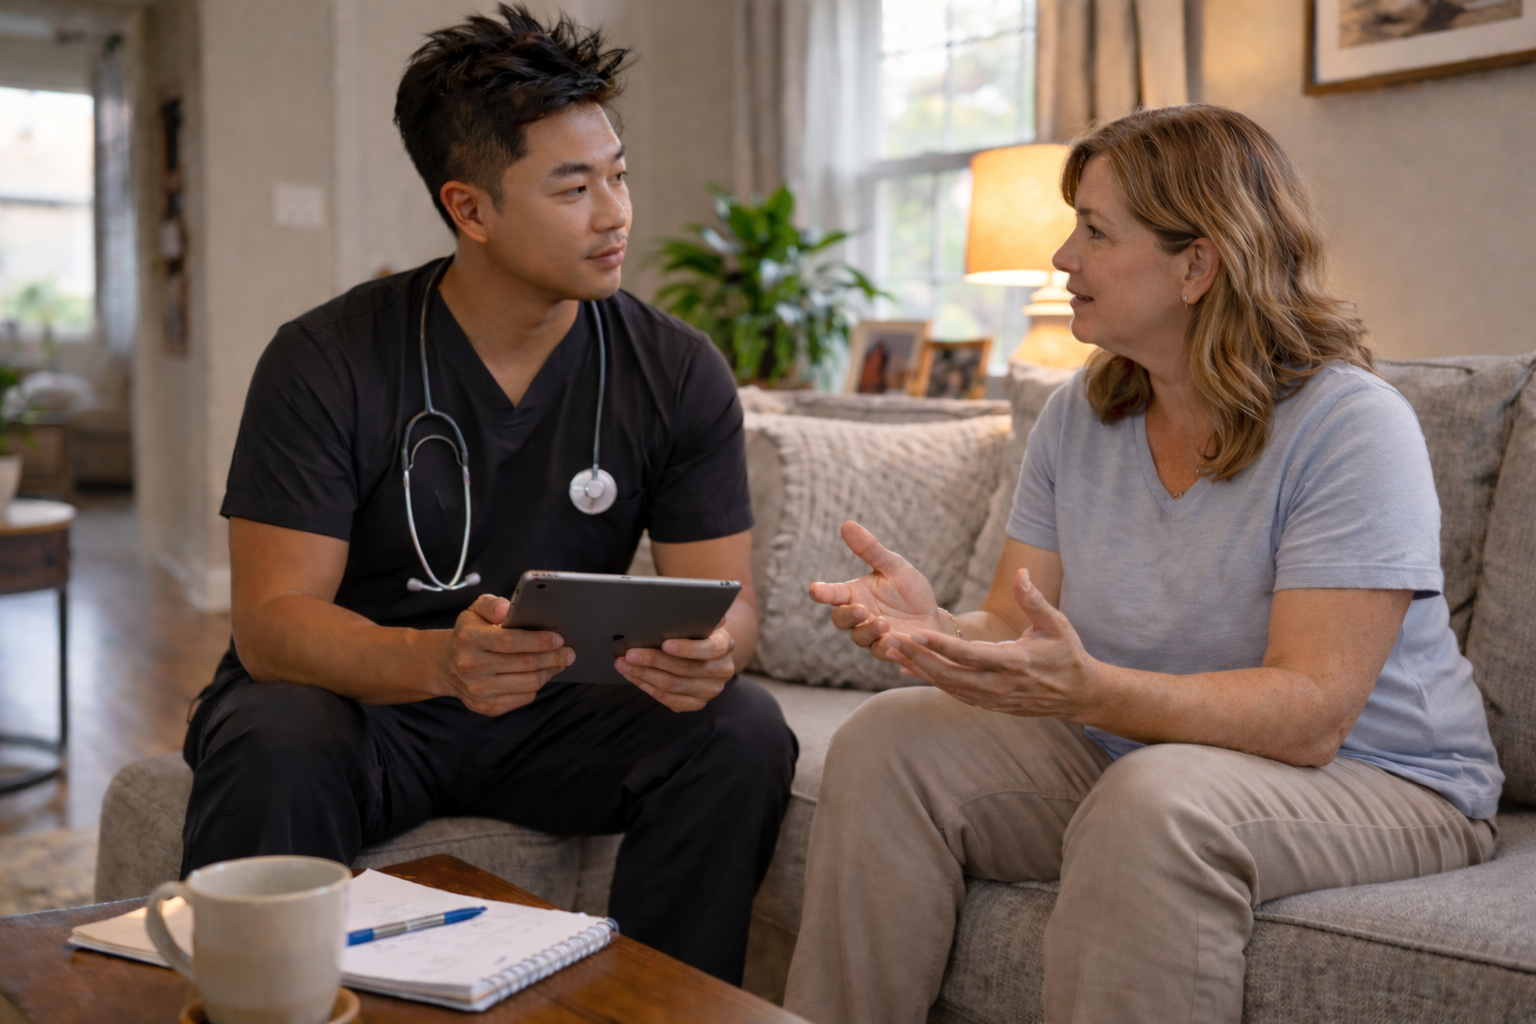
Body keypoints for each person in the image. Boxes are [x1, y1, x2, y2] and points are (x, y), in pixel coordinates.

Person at [782, 104, 1503, 1024]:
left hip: (1384, 780)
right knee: (890, 740)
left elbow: (1313, 714)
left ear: (1197, 263)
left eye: (1093, 230)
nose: (1061, 259)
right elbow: (1015, 620)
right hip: (1144, 750)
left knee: (1155, 800)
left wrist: (1089, 693)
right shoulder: (1080, 414)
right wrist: (943, 627)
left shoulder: (1351, 425)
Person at [179, 4, 796, 984]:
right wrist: (439, 661)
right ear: (470, 208)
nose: (616, 212)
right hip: (369, 703)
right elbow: (270, 625)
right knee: (273, 730)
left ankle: (667, 1011)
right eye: (573, 186)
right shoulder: (328, 358)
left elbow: (729, 602)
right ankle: (257, 1002)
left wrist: (713, 652)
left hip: (557, 709)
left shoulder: (677, 370)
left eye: (618, 173)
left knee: (741, 730)